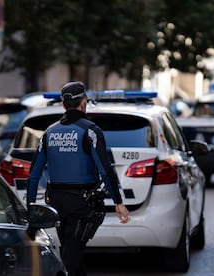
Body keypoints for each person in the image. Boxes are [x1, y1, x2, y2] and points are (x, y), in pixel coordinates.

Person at [27, 81, 130, 276]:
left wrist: (31, 208)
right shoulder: (91, 131)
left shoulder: (49, 133)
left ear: (64, 105)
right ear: (83, 103)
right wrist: (118, 202)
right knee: (69, 262)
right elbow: (105, 170)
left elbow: (33, 175)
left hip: (56, 203)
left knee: (72, 254)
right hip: (81, 204)